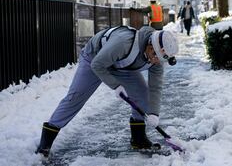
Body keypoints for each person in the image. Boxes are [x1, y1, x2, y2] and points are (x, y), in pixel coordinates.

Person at [35, 25, 179, 157]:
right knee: (75, 98)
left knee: (143, 96)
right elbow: (97, 65)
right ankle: (45, 144)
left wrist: (154, 113)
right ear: (150, 45)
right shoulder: (124, 43)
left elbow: (155, 87)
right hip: (94, 60)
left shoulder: (157, 61)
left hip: (122, 66)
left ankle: (138, 139)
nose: (155, 62)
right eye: (154, 56)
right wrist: (115, 85)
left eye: (159, 60)